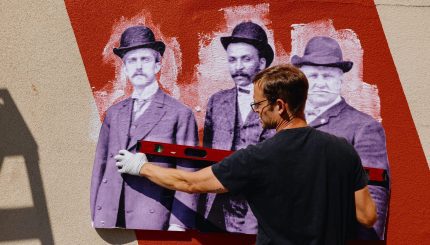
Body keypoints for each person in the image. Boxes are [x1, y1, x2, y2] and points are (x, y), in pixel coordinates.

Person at [115, 65, 377, 244]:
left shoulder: (257, 158)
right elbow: (367, 216)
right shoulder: (343, 150)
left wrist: (141, 167)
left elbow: (190, 183)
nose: (256, 111)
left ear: (280, 106)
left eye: (259, 104)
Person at [90, 25, 199, 231]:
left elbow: (188, 172)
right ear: (124, 67)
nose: (138, 67)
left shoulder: (179, 113)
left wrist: (178, 224)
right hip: (110, 216)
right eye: (132, 60)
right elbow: (100, 164)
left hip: (152, 216)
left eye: (145, 59)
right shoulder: (114, 113)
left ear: (158, 65)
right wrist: (95, 212)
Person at [291, 36, 390, 240]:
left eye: (327, 76)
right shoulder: (286, 122)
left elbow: (373, 199)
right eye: (313, 76)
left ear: (340, 80)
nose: (319, 83)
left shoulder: (364, 127)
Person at [201, 21, 275, 234]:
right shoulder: (217, 101)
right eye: (232, 60)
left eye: (246, 59)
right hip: (215, 210)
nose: (238, 67)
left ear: (261, 64)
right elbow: (205, 156)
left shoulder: (280, 105)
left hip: (258, 213)